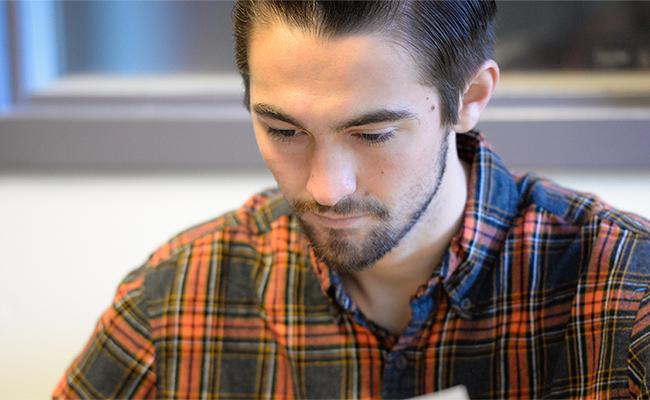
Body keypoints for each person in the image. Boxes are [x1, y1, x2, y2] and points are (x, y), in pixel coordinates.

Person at [53, 1, 650, 399]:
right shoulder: (176, 299)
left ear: (468, 98)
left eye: (371, 134)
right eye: (284, 132)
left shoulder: (626, 293)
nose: (324, 188)